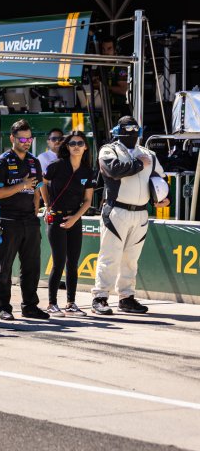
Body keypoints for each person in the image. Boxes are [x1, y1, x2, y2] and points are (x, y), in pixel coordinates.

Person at [92, 116, 169, 315]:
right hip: (116, 210)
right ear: (117, 131)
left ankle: (126, 297)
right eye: (127, 129)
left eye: (135, 129)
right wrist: (137, 164)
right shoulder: (109, 150)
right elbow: (113, 170)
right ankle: (100, 296)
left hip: (141, 212)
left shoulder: (149, 154)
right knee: (110, 256)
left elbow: (159, 179)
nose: (132, 132)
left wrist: (163, 198)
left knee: (131, 259)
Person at [0, 120, 49, 321]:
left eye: (29, 139)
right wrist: (21, 185)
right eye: (22, 139)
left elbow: (37, 190)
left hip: (29, 221)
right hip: (7, 220)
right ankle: (4, 307)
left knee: (32, 267)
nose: (27, 142)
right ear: (12, 138)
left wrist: (36, 208)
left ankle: (30, 306)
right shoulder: (2, 161)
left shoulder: (34, 161)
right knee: (4, 267)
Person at [42, 131, 95, 316]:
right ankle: (52, 303)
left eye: (80, 143)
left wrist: (75, 218)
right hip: (56, 218)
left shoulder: (87, 171)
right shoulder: (56, 166)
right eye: (72, 144)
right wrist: (47, 205)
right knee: (58, 262)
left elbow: (87, 201)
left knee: (72, 263)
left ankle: (71, 303)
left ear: (85, 147)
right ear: (67, 146)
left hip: (75, 219)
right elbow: (42, 183)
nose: (76, 147)